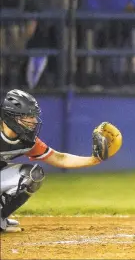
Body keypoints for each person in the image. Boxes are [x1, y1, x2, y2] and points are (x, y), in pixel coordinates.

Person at [0, 89, 122, 232]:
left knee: (32, 175)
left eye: (33, 116)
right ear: (12, 117)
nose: (33, 121)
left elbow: (60, 158)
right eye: (28, 116)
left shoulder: (27, 141)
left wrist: (94, 160)